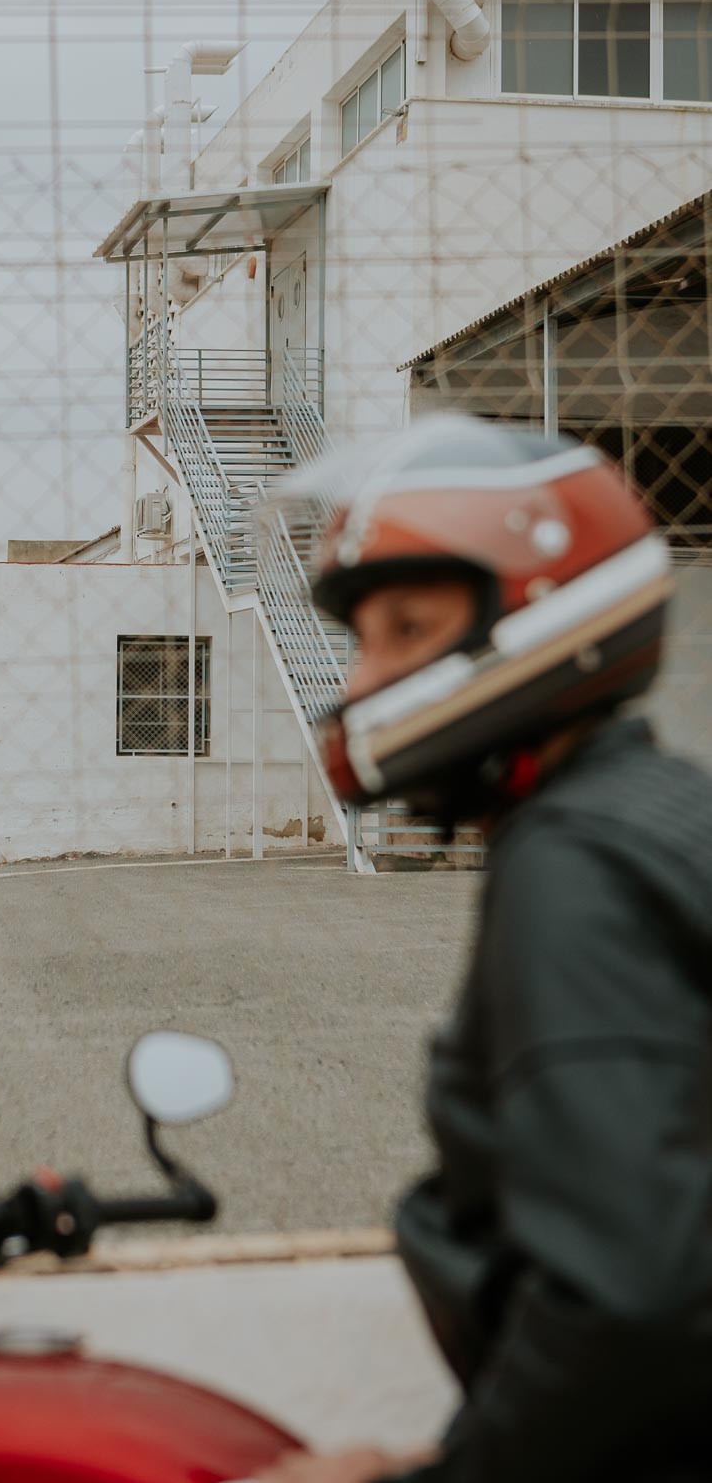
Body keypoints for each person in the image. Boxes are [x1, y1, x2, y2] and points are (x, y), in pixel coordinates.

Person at [259, 415, 712, 1483]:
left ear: (549, 615)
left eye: (407, 629)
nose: (365, 681)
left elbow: (633, 1303)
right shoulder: (659, 810)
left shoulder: (571, 863)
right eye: (361, 639)